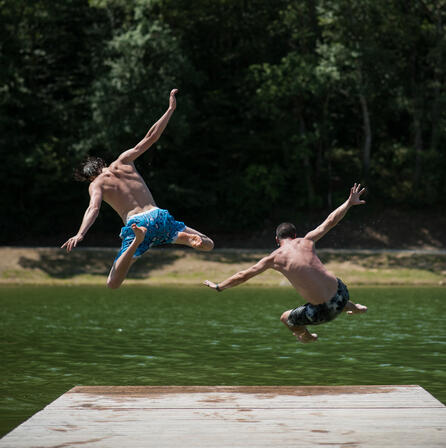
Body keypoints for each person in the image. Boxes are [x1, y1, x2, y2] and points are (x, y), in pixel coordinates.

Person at [62, 89, 214, 289]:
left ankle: (137, 242)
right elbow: (151, 137)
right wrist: (170, 110)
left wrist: (80, 234)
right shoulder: (124, 161)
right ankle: (182, 238)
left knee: (112, 283)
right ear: (101, 163)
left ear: (90, 176)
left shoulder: (96, 184)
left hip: (136, 225)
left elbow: (93, 209)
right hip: (159, 215)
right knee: (209, 244)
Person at [204, 183, 367, 343]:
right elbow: (330, 221)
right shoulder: (307, 240)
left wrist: (219, 286)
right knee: (327, 285)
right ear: (295, 235)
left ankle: (307, 337)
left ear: (277, 239)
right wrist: (349, 202)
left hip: (324, 311)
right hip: (342, 293)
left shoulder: (275, 258)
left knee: (285, 318)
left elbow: (243, 275)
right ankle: (356, 307)